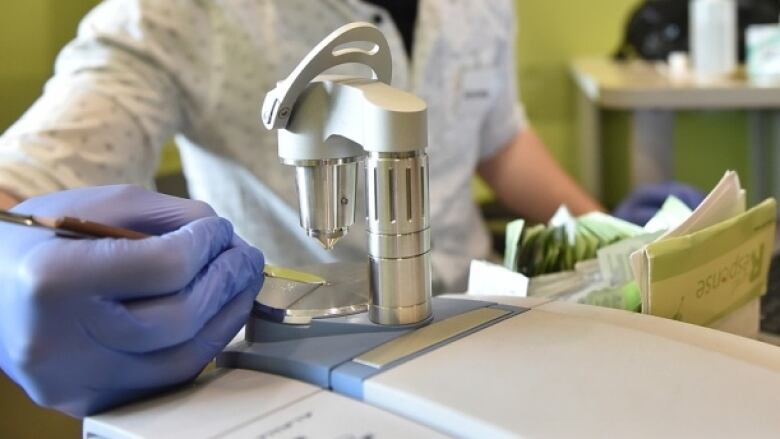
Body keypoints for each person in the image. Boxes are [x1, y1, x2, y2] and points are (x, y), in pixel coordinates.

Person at [0, 0, 699, 418]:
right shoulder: (175, 16)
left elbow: (499, 137)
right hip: (296, 364)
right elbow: (22, 178)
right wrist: (8, 273)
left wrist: (622, 237)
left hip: (487, 338)